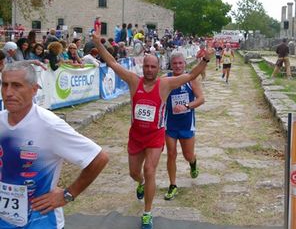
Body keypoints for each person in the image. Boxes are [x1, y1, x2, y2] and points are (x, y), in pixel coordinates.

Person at [92, 30, 212, 229]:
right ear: (142, 66)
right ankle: (139, 183)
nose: (149, 69)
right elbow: (113, 63)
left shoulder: (165, 84)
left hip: (155, 137)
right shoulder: (133, 81)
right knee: (134, 173)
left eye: (153, 66)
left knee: (150, 171)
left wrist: (206, 60)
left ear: (158, 68)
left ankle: (147, 213)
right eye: (146, 66)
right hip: (136, 137)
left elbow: (191, 74)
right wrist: (99, 44)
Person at [0, 61, 109, 228]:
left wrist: (68, 195)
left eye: (16, 86)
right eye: (4, 85)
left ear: (34, 89)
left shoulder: (49, 125)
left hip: (41, 221)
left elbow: (99, 158)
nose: (8, 92)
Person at [163, 52, 205, 201]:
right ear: (171, 65)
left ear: (185, 64)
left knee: (188, 155)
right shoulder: (166, 79)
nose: (178, 66)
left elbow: (201, 99)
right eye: (175, 63)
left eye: (180, 63)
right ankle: (173, 185)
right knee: (171, 154)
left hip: (186, 124)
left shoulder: (191, 80)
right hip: (170, 124)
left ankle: (193, 163)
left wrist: (187, 105)